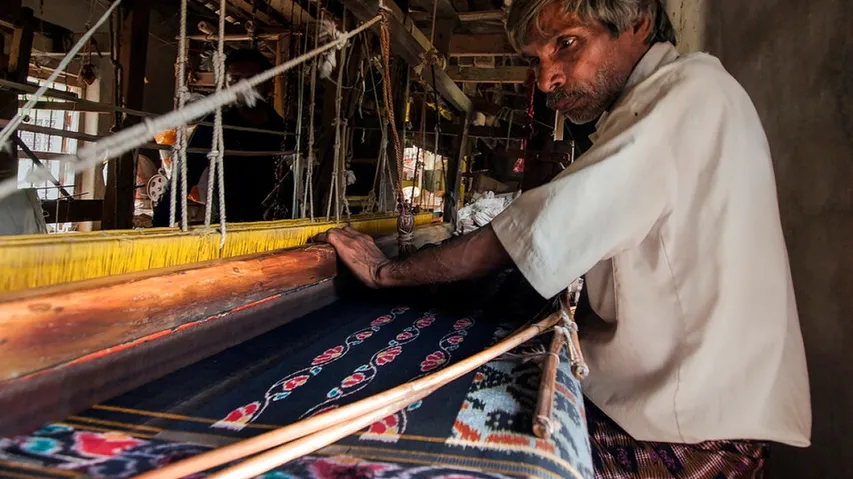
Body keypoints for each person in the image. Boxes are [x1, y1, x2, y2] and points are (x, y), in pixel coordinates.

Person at [317, 0, 811, 476]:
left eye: (567, 44)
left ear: (637, 21)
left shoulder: (686, 95)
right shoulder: (670, 100)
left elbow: (539, 230)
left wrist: (387, 273)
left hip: (688, 435)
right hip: (686, 406)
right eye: (537, 59)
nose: (548, 78)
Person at [154, 48, 292, 226]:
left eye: (252, 80)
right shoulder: (214, 126)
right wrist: (158, 227)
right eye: (234, 81)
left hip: (276, 228)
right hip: (226, 229)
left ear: (269, 85)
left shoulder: (283, 131)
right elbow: (182, 179)